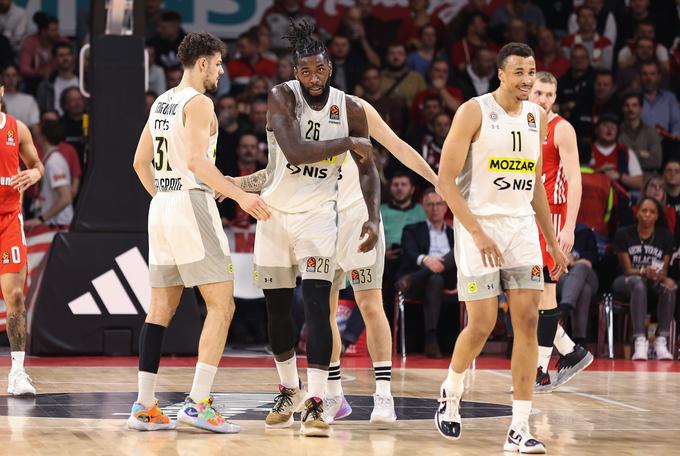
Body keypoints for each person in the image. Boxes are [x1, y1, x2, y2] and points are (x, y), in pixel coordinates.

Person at [127, 31, 270, 433]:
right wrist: (238, 196)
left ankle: (144, 406)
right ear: (203, 62)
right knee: (223, 306)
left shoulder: (161, 101)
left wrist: (167, 197)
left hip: (162, 207)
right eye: (220, 63)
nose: (222, 71)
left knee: (160, 310)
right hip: (190, 203)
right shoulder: (200, 102)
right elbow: (196, 163)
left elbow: (139, 163)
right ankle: (198, 403)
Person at [436, 43, 568, 452]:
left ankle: (520, 427)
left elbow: (534, 187)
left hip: (520, 228)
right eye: (520, 73)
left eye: (532, 72)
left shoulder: (537, 117)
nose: (528, 80)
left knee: (528, 320)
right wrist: (477, 233)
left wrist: (552, 240)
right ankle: (451, 391)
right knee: (483, 324)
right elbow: (445, 181)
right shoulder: (473, 111)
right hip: (479, 225)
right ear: (501, 75)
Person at [252, 20, 377, 438]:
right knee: (276, 309)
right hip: (273, 214)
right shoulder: (280, 97)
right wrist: (346, 144)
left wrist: (373, 217)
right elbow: (294, 150)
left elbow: (368, 169)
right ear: (294, 72)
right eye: (305, 71)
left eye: (320, 70)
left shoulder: (351, 108)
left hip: (319, 217)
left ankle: (319, 399)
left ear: (331, 67)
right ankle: (289, 389)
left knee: (318, 307)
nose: (313, 78)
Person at [529, 71, 593, 394]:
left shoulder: (562, 129)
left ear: (554, 98)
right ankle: (570, 350)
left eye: (548, 95)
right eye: (538, 93)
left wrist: (568, 227)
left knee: (545, 294)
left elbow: (576, 181)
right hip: (526, 219)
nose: (543, 99)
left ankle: (540, 370)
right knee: (528, 297)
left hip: (551, 218)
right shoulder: (523, 124)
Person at [0, 83, 43, 396]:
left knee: (15, 297)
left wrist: (34, 174)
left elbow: (37, 165)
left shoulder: (18, 129)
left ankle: (17, 372)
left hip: (9, 221)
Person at [613, 197, 676, 360]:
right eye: (644, 210)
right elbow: (627, 270)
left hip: (653, 281)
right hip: (627, 281)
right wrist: (643, 271)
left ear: (657, 216)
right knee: (638, 283)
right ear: (637, 212)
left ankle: (661, 340)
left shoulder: (666, 237)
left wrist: (661, 277)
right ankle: (640, 340)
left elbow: (664, 270)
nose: (647, 215)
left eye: (652, 212)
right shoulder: (624, 234)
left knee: (669, 287)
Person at [396, 188, 454, 358]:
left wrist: (438, 263)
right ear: (424, 208)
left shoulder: (454, 233)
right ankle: (431, 339)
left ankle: (413, 279)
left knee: (458, 251)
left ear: (445, 207)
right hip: (425, 282)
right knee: (435, 279)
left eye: (438, 204)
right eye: (429, 204)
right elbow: (408, 252)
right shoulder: (412, 229)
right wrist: (426, 260)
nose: (434, 208)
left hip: (450, 277)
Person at [25, 119, 73, 227]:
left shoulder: (54, 162)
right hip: (54, 224)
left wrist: (41, 219)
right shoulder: (51, 158)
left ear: (43, 137)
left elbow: (66, 198)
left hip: (58, 225)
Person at [35, 43, 79, 115]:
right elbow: (40, 110)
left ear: (73, 57)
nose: (65, 58)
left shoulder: (84, 82)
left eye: (68, 54)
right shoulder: (45, 85)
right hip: (55, 124)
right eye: (61, 55)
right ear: (54, 59)